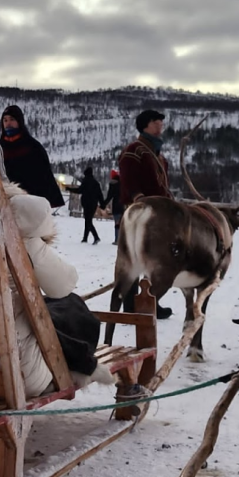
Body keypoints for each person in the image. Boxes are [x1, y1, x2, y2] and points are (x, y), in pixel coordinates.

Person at [0, 127, 113, 396]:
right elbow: (63, 285)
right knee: (70, 305)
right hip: (15, 369)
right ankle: (79, 363)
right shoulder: (12, 221)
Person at [117, 109, 173, 319]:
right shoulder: (134, 151)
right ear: (144, 125)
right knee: (134, 259)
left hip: (158, 214)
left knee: (154, 259)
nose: (160, 125)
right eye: (155, 121)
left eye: (160, 122)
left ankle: (151, 300)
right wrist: (137, 198)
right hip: (140, 214)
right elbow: (128, 180)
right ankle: (131, 304)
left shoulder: (159, 156)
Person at [0, 105, 65, 209]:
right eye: (5, 120)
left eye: (12, 119)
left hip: (31, 202)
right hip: (5, 202)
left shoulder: (32, 147)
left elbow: (44, 176)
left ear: (19, 122)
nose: (8, 124)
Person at [65, 166, 104, 244]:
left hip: (86, 203)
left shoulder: (85, 181)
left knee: (88, 221)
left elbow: (79, 190)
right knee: (88, 220)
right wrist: (102, 204)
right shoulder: (96, 183)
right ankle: (85, 238)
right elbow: (100, 195)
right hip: (93, 204)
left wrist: (70, 189)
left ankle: (96, 237)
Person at [101, 169, 123, 245]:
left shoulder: (113, 184)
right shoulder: (123, 183)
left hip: (116, 206)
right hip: (124, 205)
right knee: (123, 223)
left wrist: (103, 204)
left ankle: (117, 240)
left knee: (117, 224)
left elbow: (110, 196)